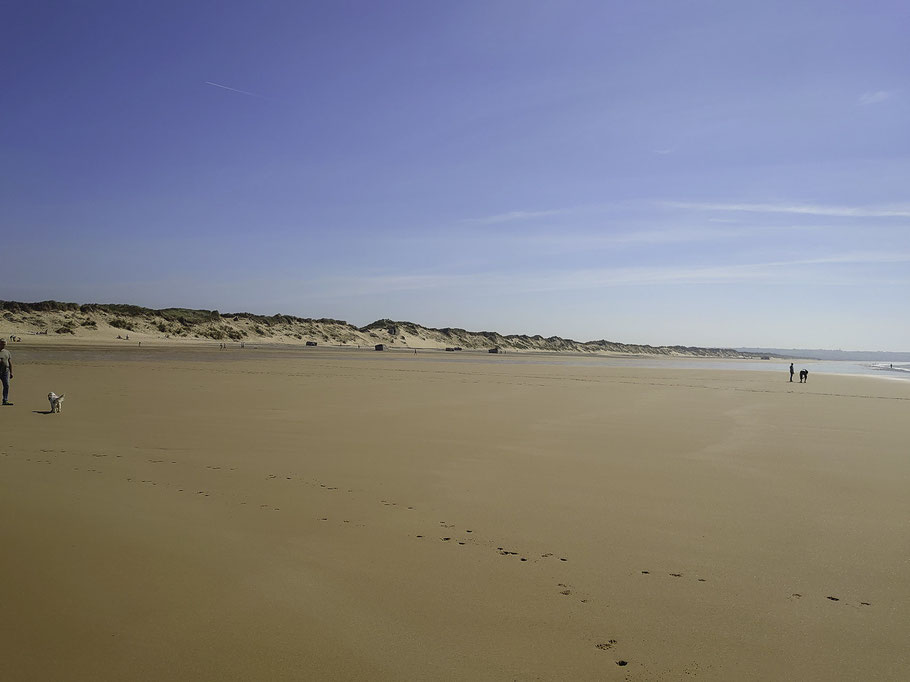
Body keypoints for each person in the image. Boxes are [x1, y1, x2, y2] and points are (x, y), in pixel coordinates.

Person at [0, 339, 13, 406]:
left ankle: (5, 400)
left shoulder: (7, 352)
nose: (4, 345)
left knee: (7, 385)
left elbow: (10, 362)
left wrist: (11, 372)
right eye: (2, 344)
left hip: (6, 371)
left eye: (4, 344)